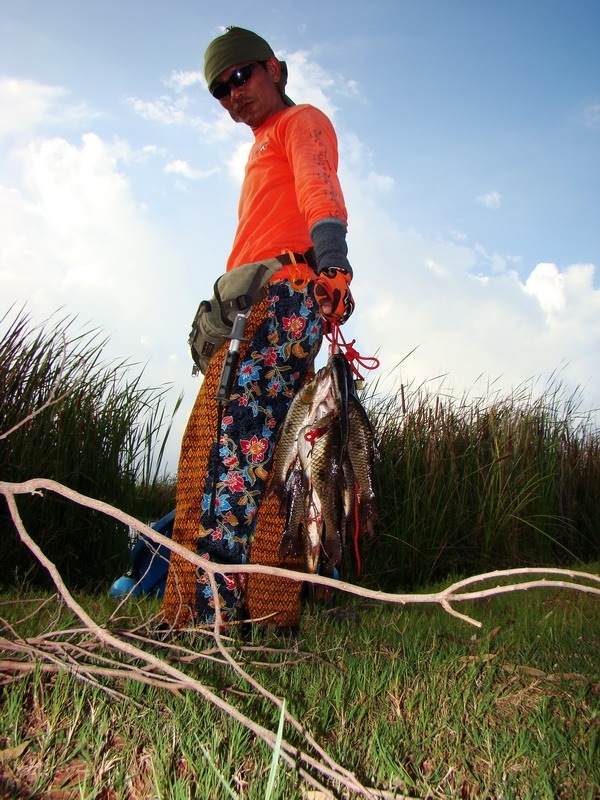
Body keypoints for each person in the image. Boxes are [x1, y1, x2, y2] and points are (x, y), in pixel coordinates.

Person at [159, 26, 354, 631]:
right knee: (254, 454)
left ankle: (208, 615)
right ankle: (264, 614)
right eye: (219, 90)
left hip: (282, 296)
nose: (231, 94)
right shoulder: (261, 141)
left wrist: (333, 262)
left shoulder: (301, 123)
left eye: (240, 76)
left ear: (273, 68)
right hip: (256, 304)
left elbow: (320, 187)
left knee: (234, 454)